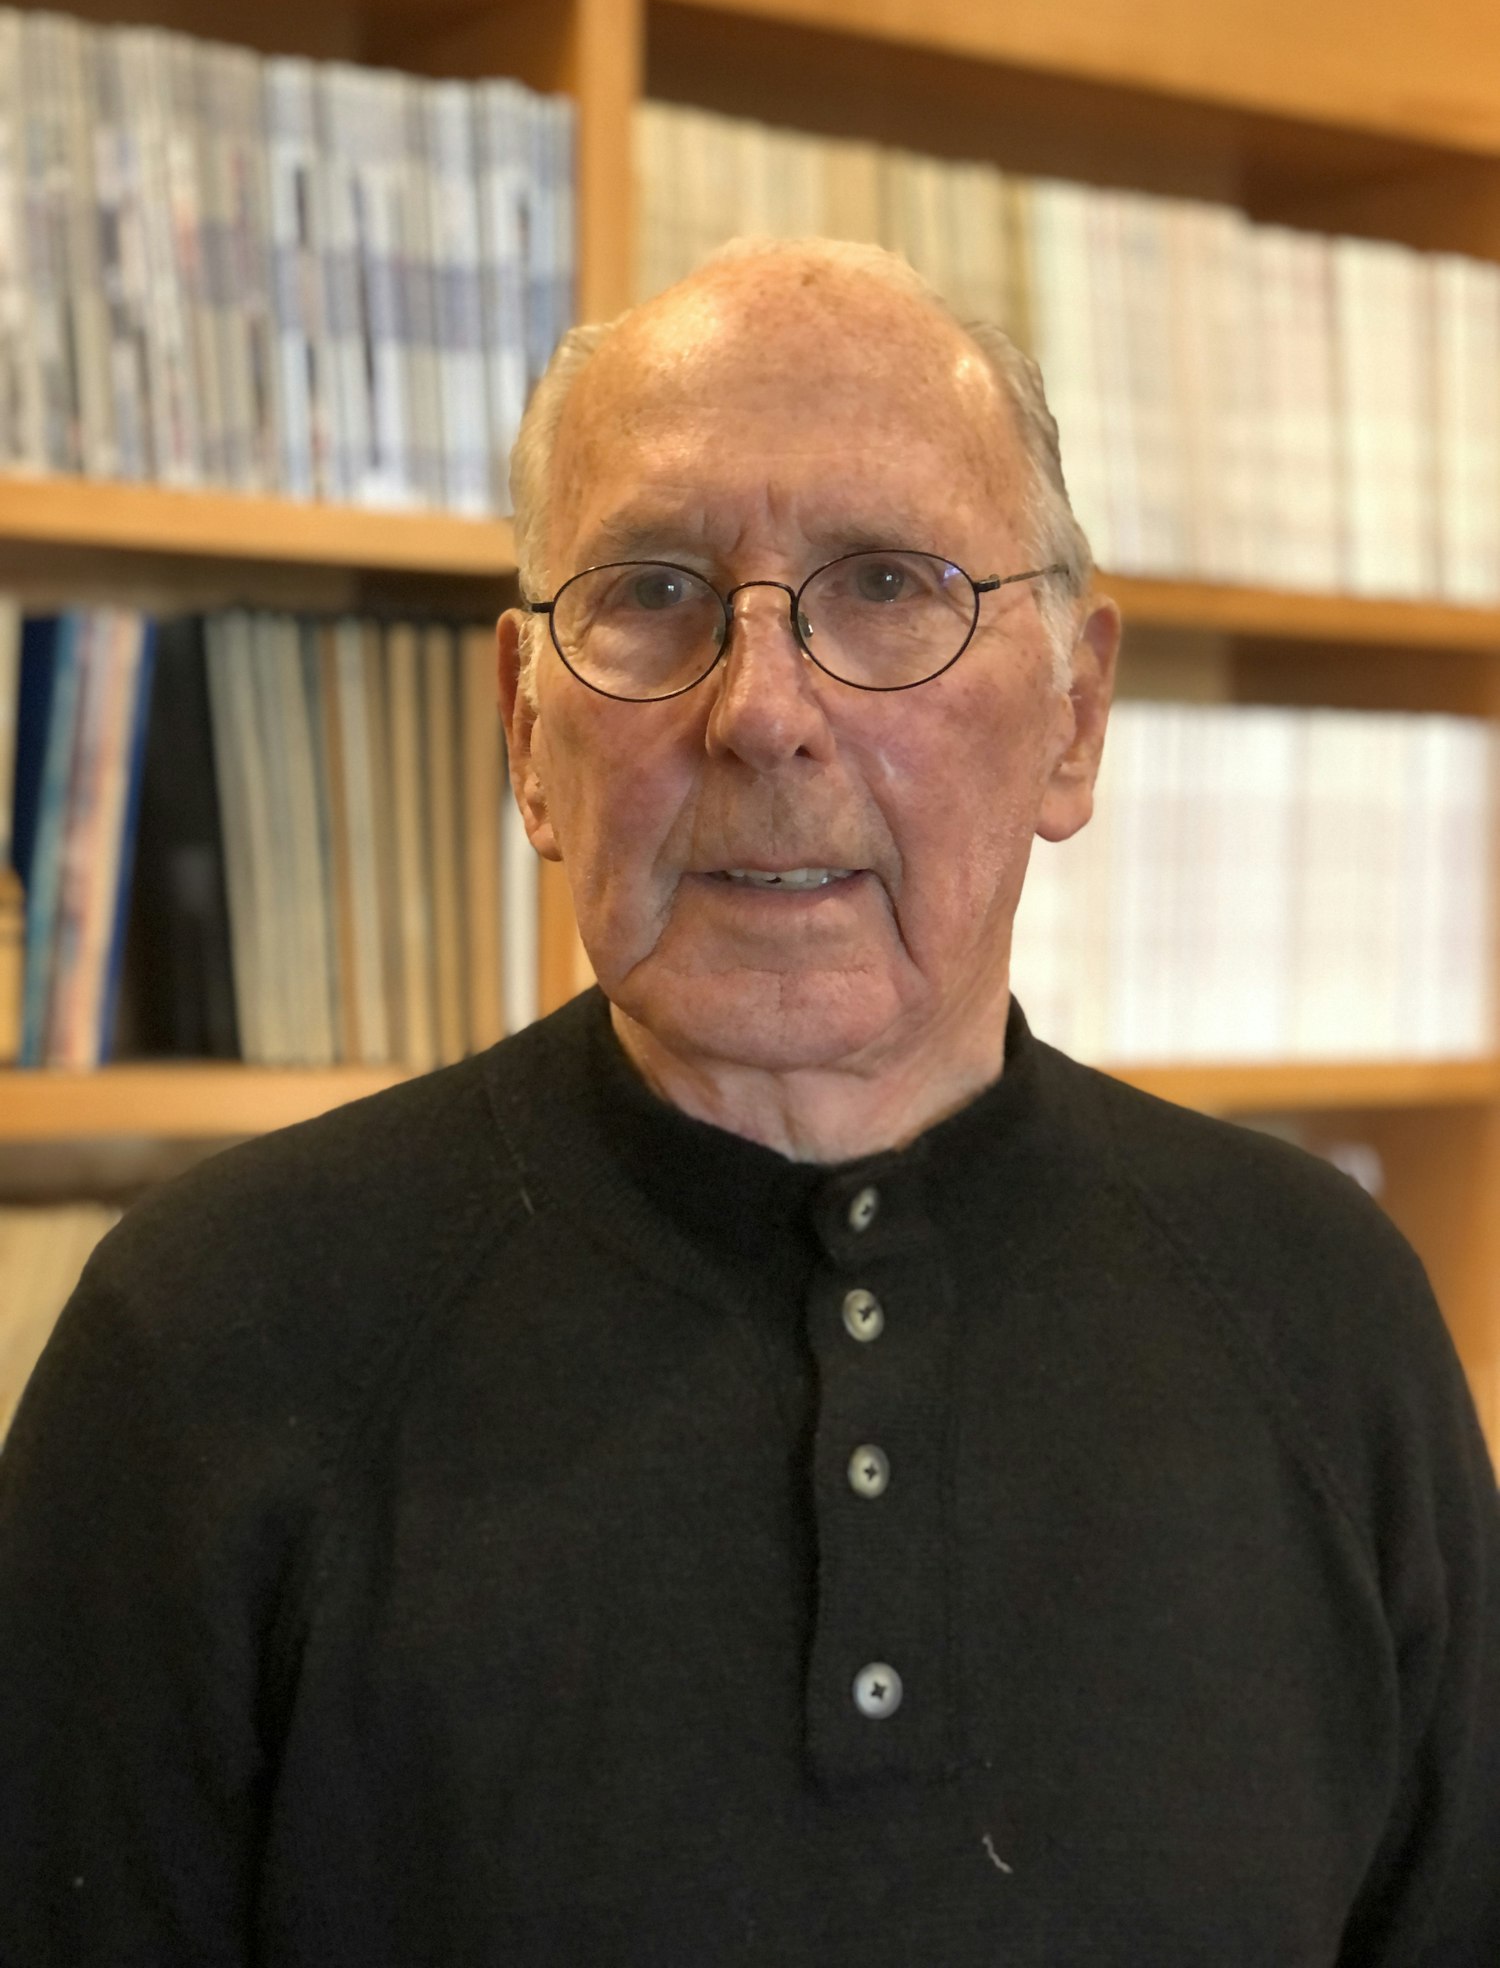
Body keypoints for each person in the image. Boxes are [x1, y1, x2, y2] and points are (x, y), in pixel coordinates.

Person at [2, 238, 1498, 1967]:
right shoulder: (204, 1338)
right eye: (652, 590)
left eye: (887, 583)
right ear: (522, 732)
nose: (764, 713)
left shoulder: (1328, 1318)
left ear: (1075, 717)